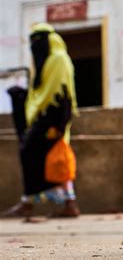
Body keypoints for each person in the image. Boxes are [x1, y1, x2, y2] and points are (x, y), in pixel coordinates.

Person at [1, 23, 80, 218]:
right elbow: (42, 92)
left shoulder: (59, 59)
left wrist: (58, 126)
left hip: (54, 120)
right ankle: (65, 203)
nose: (35, 45)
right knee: (43, 158)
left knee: (50, 159)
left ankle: (32, 201)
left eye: (39, 40)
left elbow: (62, 94)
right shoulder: (45, 62)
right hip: (43, 118)